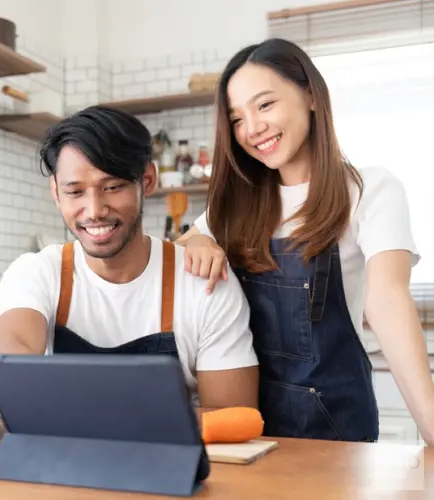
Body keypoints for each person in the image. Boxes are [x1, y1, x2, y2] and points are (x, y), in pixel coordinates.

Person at [176, 37, 434, 444]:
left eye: (264, 105)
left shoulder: (370, 191)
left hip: (336, 428)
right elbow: (190, 238)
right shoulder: (237, 205)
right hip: (246, 430)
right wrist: (195, 243)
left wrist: (431, 424)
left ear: (311, 96)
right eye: (237, 118)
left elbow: (386, 299)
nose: (252, 129)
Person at [0, 105, 259, 413]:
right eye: (75, 192)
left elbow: (233, 419)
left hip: (174, 460)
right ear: (55, 192)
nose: (94, 210)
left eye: (113, 187)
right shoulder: (38, 273)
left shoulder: (203, 283)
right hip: (67, 457)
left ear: (147, 180)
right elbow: (12, 357)